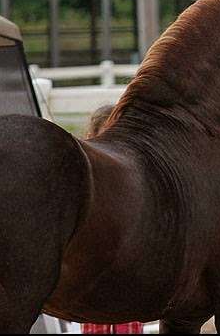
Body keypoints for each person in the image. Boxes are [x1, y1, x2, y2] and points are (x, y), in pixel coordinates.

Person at [81, 104, 145, 335]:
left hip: (125, 267)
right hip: (95, 270)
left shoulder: (131, 171)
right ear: (92, 137)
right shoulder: (87, 174)